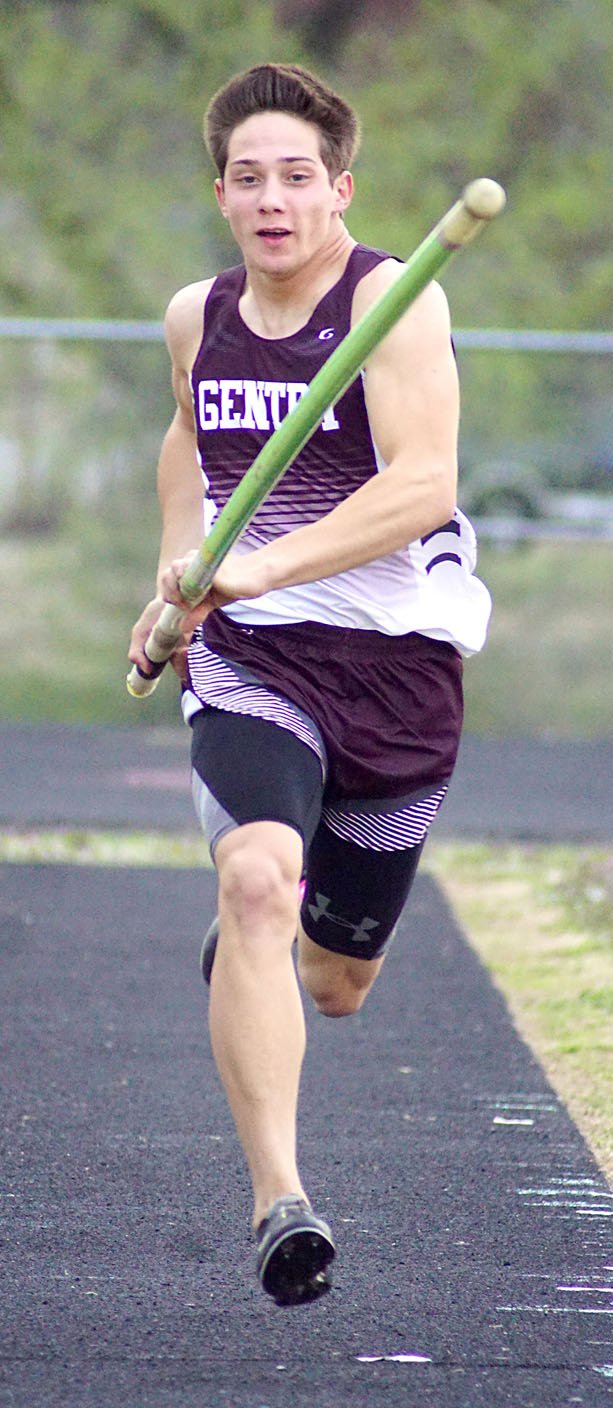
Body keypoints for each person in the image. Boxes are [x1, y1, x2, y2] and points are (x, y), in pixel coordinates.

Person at [129, 62, 491, 1307]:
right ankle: (280, 1198)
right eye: (248, 177)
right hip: (257, 654)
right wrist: (174, 583)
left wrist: (259, 559)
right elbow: (190, 442)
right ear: (221, 193)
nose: (271, 198)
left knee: (334, 985)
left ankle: (262, 949)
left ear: (339, 189)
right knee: (254, 880)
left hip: (396, 666)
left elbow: (421, 485)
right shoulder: (198, 315)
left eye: (297, 177)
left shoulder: (393, 303)